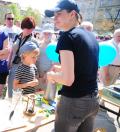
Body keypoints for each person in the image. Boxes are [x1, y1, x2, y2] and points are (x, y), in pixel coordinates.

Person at [45, 0, 100, 131]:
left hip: (74, 102)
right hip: (93, 100)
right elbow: (84, 68)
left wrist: (51, 75)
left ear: (72, 14)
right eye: (54, 15)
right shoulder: (91, 36)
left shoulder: (67, 37)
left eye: (59, 13)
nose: (55, 18)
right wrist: (59, 69)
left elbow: (68, 80)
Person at [7, 16, 38, 98]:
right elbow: (12, 50)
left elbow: (35, 57)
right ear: (23, 27)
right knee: (10, 91)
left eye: (31, 28)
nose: (29, 30)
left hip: (24, 70)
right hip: (14, 67)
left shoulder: (33, 41)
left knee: (20, 94)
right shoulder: (18, 36)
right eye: (27, 28)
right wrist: (9, 62)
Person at [36, 23, 57, 97]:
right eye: (45, 33)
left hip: (50, 76)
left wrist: (46, 75)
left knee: (48, 98)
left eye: (49, 33)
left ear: (52, 34)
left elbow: (55, 64)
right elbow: (36, 59)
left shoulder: (54, 46)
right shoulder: (39, 44)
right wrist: (37, 73)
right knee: (37, 97)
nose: (47, 35)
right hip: (38, 75)